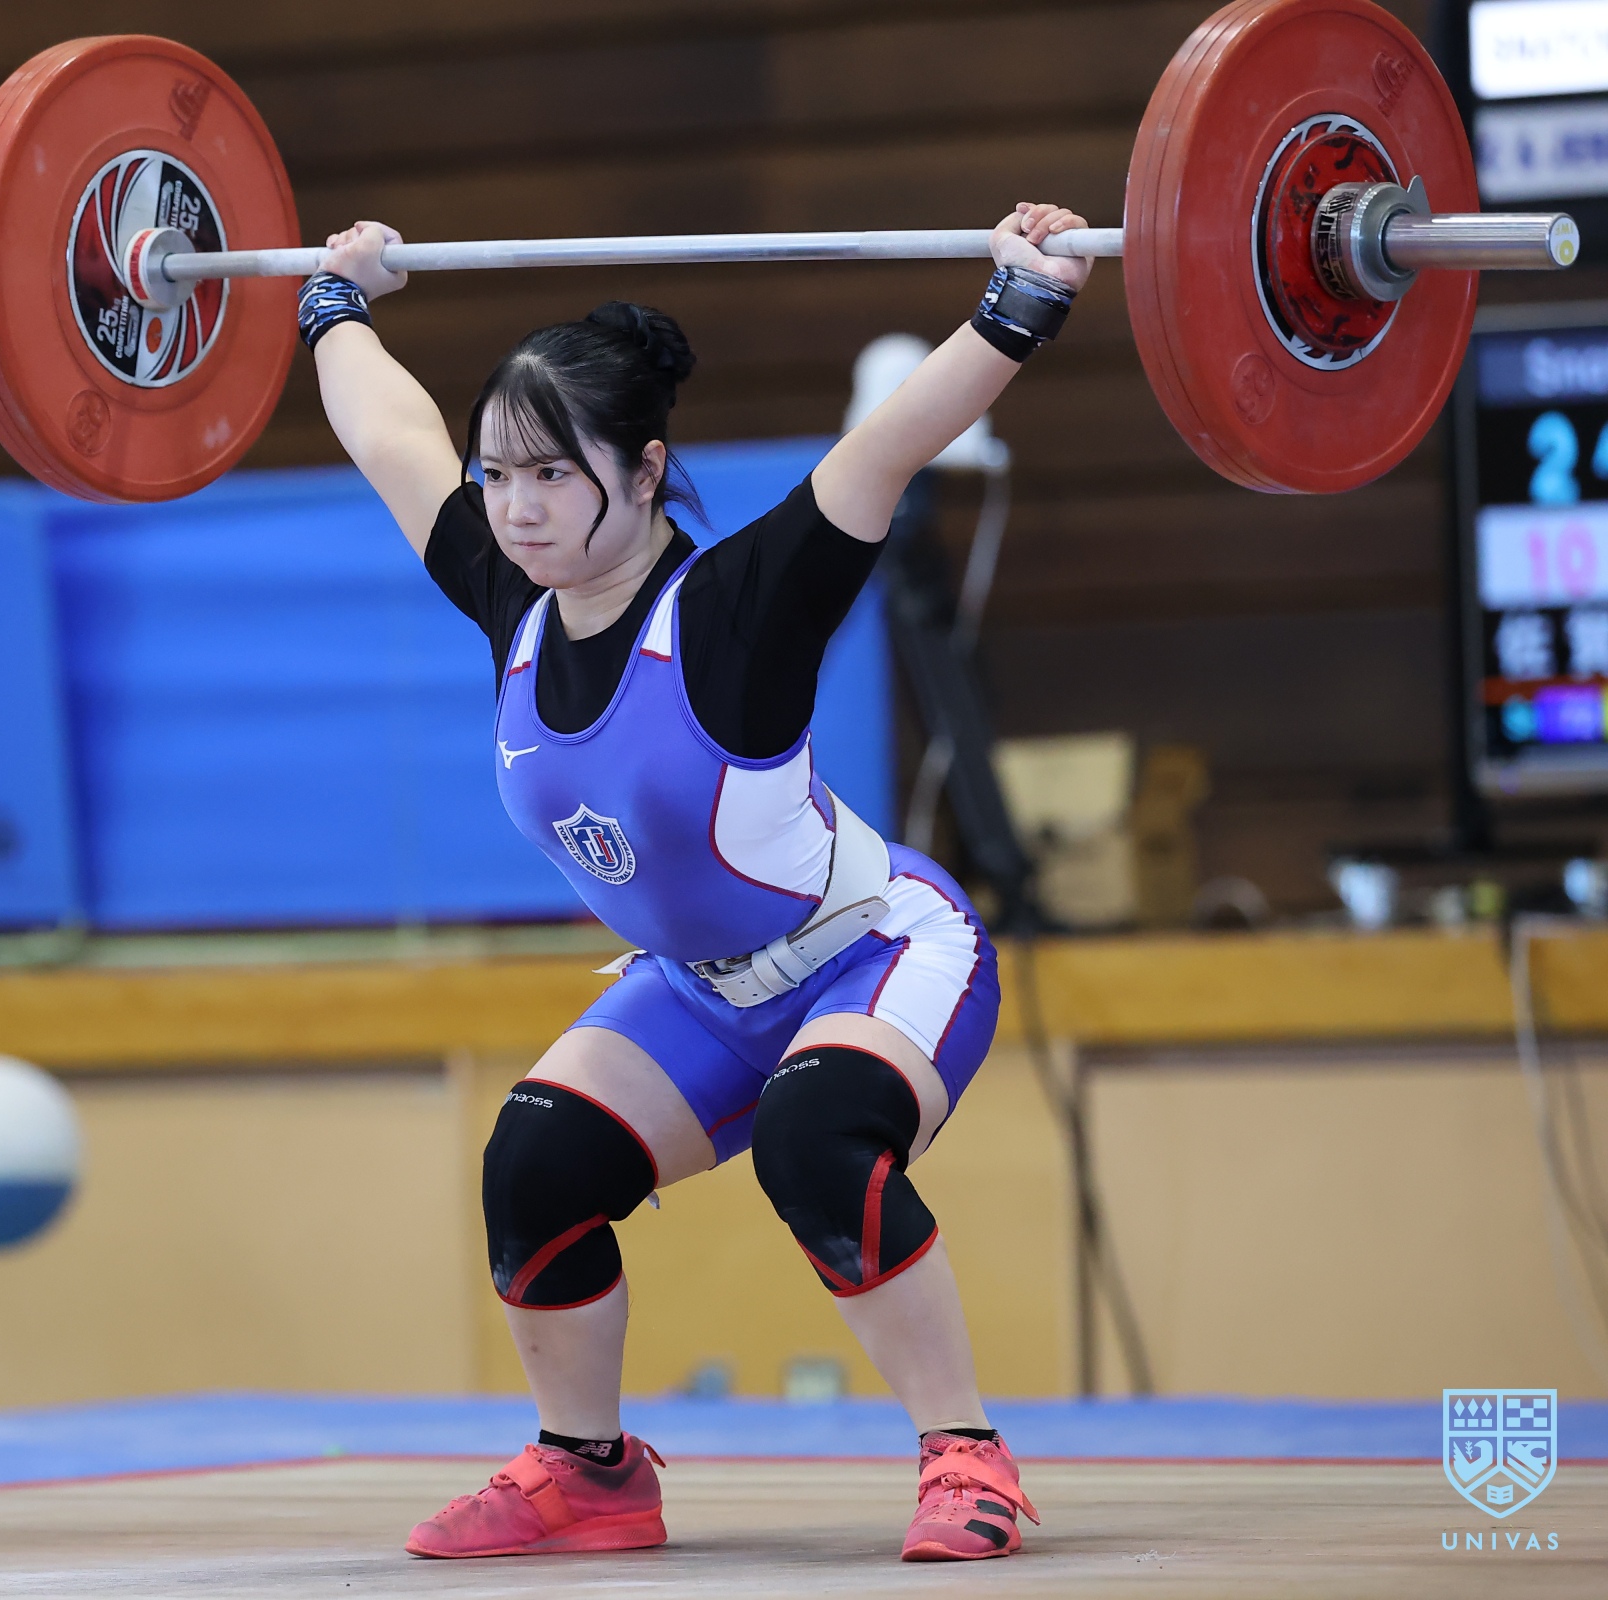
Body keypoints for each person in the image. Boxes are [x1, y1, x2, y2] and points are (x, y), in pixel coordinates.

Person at [304, 203, 1089, 1562]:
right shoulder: (510, 591)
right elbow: (389, 436)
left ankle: (967, 1454)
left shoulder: (738, 604)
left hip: (874, 950)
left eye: (552, 475)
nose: (515, 507)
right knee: (535, 1163)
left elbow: (887, 445)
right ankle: (588, 1472)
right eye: (500, 475)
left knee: (814, 1139)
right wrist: (333, 303)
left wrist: (1021, 303)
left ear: (647, 469)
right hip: (700, 989)